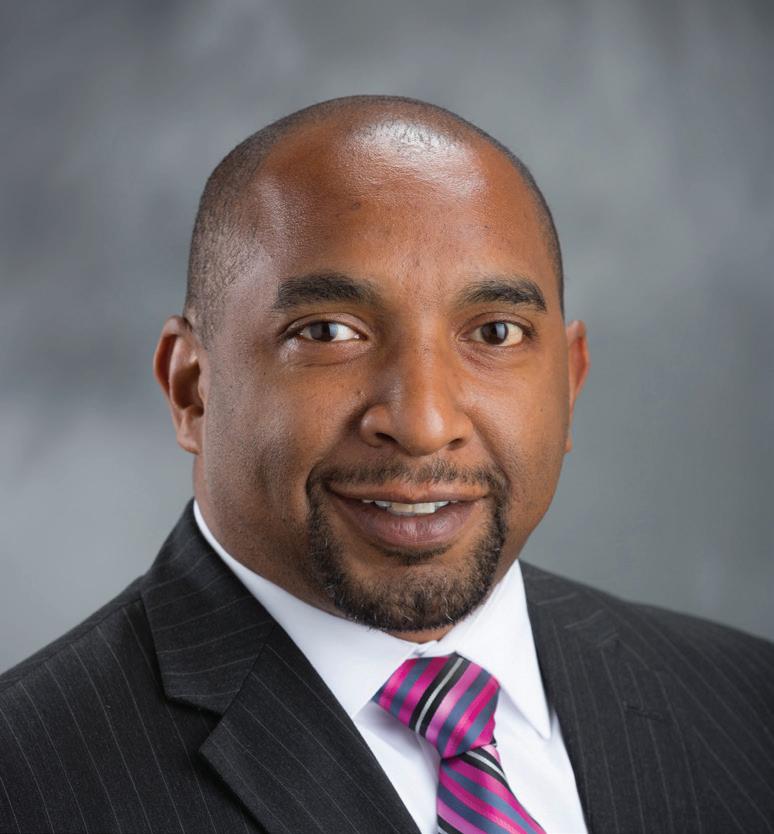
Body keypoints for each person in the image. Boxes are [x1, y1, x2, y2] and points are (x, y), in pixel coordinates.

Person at [0, 95, 772, 834]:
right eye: (328, 332)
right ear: (192, 389)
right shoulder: (25, 783)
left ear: (569, 384)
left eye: (496, 332)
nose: (424, 425)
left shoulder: (748, 705)